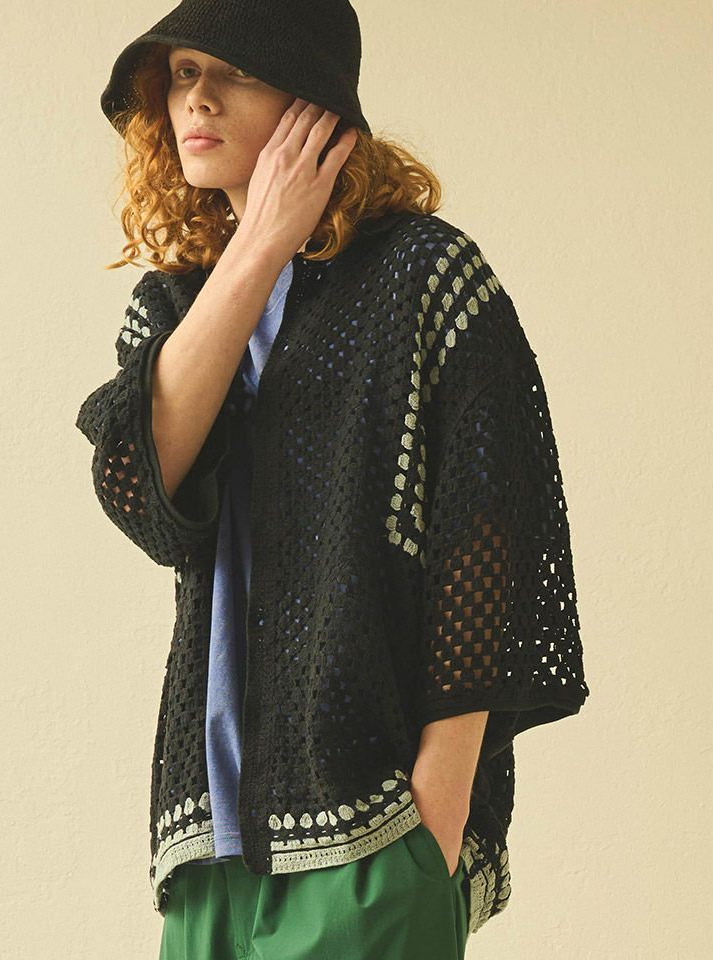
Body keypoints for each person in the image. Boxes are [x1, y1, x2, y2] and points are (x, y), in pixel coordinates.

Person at [75, 2, 590, 957]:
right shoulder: (177, 300)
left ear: (314, 101)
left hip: (374, 826)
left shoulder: (425, 277)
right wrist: (260, 244)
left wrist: (436, 810)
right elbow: (138, 489)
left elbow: (490, 532)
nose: (197, 99)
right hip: (207, 842)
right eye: (182, 74)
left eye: (233, 71)